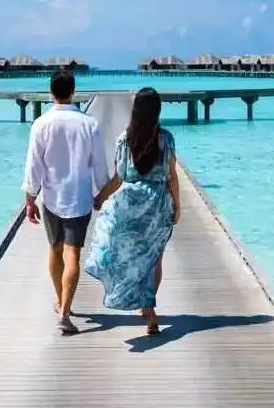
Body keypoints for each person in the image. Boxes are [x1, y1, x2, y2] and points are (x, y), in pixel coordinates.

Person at [84, 86, 180, 335]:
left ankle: (141, 304)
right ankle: (148, 309)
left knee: (130, 254)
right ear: (157, 110)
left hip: (128, 203)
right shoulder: (166, 138)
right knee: (153, 258)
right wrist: (177, 206)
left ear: (135, 111)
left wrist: (100, 197)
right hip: (157, 204)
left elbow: (119, 177)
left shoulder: (124, 138)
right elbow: (172, 178)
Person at [21, 68, 108, 335]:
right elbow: (100, 166)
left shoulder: (41, 124)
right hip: (79, 199)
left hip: (51, 198)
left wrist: (30, 198)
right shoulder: (89, 124)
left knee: (54, 249)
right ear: (73, 92)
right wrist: (101, 194)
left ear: (51, 93)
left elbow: (33, 165)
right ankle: (65, 310)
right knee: (73, 254)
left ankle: (61, 302)